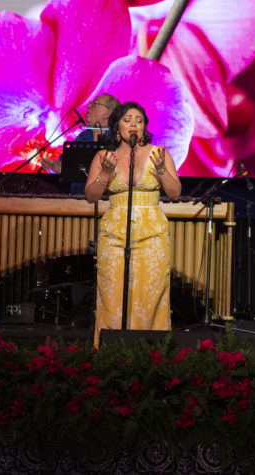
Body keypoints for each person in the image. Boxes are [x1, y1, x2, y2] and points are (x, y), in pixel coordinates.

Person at [84, 102, 181, 348]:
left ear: (145, 126)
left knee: (149, 296)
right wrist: (105, 175)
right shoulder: (104, 157)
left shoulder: (159, 154)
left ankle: (150, 353)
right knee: (113, 296)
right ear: (117, 126)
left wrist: (161, 171)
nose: (134, 123)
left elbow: (174, 193)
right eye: (127, 119)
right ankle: (110, 353)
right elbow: (91, 196)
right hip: (115, 236)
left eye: (139, 119)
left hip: (152, 237)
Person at [40, 93, 120, 176]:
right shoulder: (82, 136)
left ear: (107, 113)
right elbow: (67, 167)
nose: (89, 106)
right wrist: (53, 165)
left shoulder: (119, 140)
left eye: (95, 103)